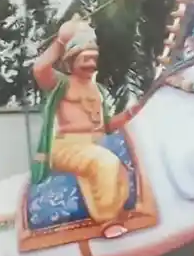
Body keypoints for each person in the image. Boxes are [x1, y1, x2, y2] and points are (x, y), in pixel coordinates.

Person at [30, 17, 132, 238]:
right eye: (85, 59)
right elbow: (39, 69)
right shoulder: (62, 83)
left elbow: (106, 125)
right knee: (105, 163)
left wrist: (132, 113)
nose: (91, 64)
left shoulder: (99, 91)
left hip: (96, 143)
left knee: (125, 169)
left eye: (93, 59)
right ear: (70, 61)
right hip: (68, 147)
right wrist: (60, 40)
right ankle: (107, 221)